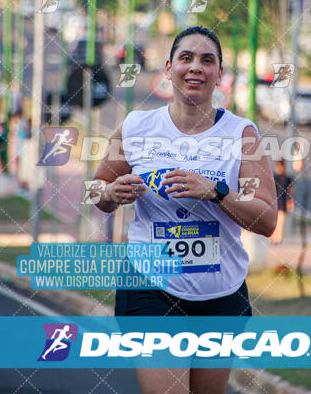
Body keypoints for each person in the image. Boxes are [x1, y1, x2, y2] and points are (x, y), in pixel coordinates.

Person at [94, 26, 277, 394]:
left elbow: (267, 219)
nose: (196, 67)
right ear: (168, 68)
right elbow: (96, 192)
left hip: (221, 295)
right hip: (150, 288)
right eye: (186, 58)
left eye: (207, 60)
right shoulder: (136, 127)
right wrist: (112, 191)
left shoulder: (242, 134)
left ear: (219, 74)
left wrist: (216, 191)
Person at [269, 158, 294, 244]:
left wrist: (290, 201)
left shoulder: (288, 178)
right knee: (274, 222)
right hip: (275, 203)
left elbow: (291, 191)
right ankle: (273, 238)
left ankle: (278, 239)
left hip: (283, 202)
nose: (277, 168)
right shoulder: (274, 177)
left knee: (281, 222)